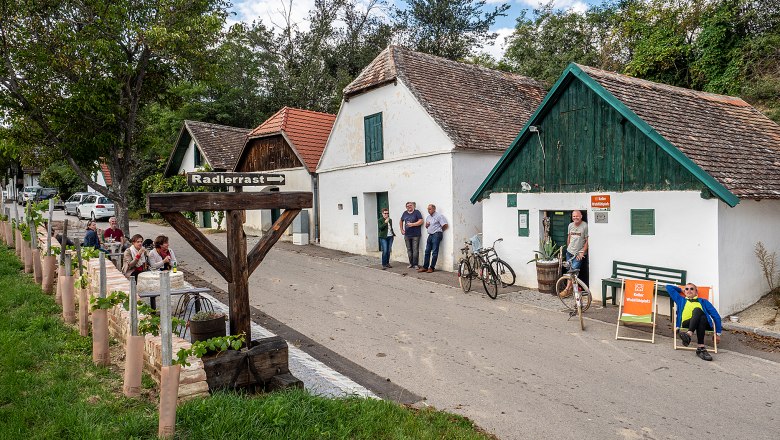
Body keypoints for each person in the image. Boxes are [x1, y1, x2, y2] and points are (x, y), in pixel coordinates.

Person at [667, 283, 722, 361]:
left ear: (696, 292)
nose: (689, 290)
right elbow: (668, 287)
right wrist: (681, 289)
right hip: (686, 323)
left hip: (705, 324)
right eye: (687, 289)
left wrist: (718, 333)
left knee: (698, 311)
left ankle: (689, 334)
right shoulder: (680, 300)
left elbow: (716, 316)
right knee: (701, 317)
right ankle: (701, 348)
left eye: (692, 289)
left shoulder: (704, 301)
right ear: (684, 291)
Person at [417, 204, 448, 273]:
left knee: (434, 252)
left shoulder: (439, 216)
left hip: (437, 234)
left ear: (434, 209)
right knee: (427, 251)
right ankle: (425, 267)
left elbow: (445, 225)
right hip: (430, 235)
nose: (428, 210)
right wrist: (426, 225)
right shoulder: (428, 217)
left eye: (430, 209)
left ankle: (432, 267)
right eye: (428, 209)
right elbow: (427, 226)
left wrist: (439, 231)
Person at [400, 201, 423, 269]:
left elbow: (421, 221)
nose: (409, 207)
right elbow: (401, 221)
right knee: (409, 249)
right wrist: (401, 229)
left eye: (410, 205)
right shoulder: (405, 213)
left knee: (415, 249)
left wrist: (412, 224)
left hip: (416, 234)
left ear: (413, 206)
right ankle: (411, 263)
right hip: (407, 235)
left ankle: (415, 264)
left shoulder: (417, 212)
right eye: (407, 206)